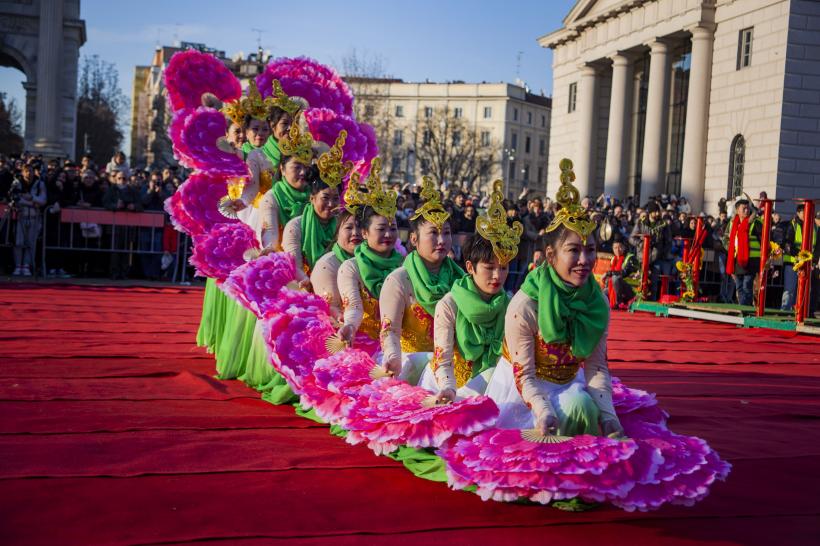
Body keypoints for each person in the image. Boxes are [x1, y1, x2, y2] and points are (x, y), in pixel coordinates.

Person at [485, 158, 622, 438]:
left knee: (583, 407)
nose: (585, 261)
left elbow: (596, 367)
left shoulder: (597, 303)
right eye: (573, 250)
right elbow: (524, 376)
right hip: (523, 390)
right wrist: (544, 411)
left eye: (591, 250)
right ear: (550, 255)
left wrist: (608, 416)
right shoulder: (524, 306)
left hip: (569, 385)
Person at [418, 179, 522, 402]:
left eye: (503, 268)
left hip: (497, 384)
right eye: (489, 267)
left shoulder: (511, 304)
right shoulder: (449, 304)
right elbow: (442, 357)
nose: (497, 276)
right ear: (470, 267)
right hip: (451, 385)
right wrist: (447, 387)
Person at [379, 175, 464, 382]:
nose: (442, 240)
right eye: (433, 233)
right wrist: (393, 357)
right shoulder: (399, 280)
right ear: (414, 239)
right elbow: (389, 330)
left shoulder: (461, 280)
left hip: (452, 366)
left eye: (446, 233)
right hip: (411, 365)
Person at [337, 158, 403, 344]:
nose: (389, 234)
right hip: (362, 343)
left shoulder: (404, 264)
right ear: (365, 233)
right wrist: (349, 326)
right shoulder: (350, 268)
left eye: (393, 228)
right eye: (381, 229)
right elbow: (354, 308)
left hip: (400, 344)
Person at [311, 209, 361, 320]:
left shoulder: (373, 261)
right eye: (349, 227)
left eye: (361, 227)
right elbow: (332, 309)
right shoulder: (327, 265)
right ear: (337, 232)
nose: (356, 233)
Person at [10, 163, 47, 276]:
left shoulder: (40, 184)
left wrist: (32, 198)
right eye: (26, 171)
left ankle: (26, 265)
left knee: (31, 242)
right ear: (22, 172)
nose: (29, 173)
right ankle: (18, 266)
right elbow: (15, 199)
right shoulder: (16, 183)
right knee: (18, 242)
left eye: (31, 171)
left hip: (34, 218)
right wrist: (32, 203)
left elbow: (43, 200)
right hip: (20, 216)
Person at [725, 199, 762, 306]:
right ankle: (743, 308)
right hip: (736, 260)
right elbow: (726, 239)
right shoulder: (732, 223)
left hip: (751, 260)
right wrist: (731, 251)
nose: (746, 211)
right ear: (737, 210)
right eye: (743, 208)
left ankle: (747, 310)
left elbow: (763, 240)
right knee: (739, 287)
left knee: (747, 286)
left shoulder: (756, 222)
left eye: (747, 208)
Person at [782, 204, 817, 311]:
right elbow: (787, 244)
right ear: (798, 213)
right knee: (790, 290)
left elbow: (816, 246)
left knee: (804, 290)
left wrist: (813, 261)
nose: (806, 214)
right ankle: (785, 312)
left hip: (806, 264)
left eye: (808, 212)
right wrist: (800, 255)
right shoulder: (792, 225)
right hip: (793, 263)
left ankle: (799, 313)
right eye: (803, 212)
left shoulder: (814, 226)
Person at [603, 237, 638, 309]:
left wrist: (608, 273)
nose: (617, 250)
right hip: (617, 289)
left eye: (620, 247)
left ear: (624, 247)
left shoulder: (630, 258)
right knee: (601, 294)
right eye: (615, 248)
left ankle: (618, 302)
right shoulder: (613, 259)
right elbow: (611, 277)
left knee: (615, 278)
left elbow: (624, 273)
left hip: (631, 289)